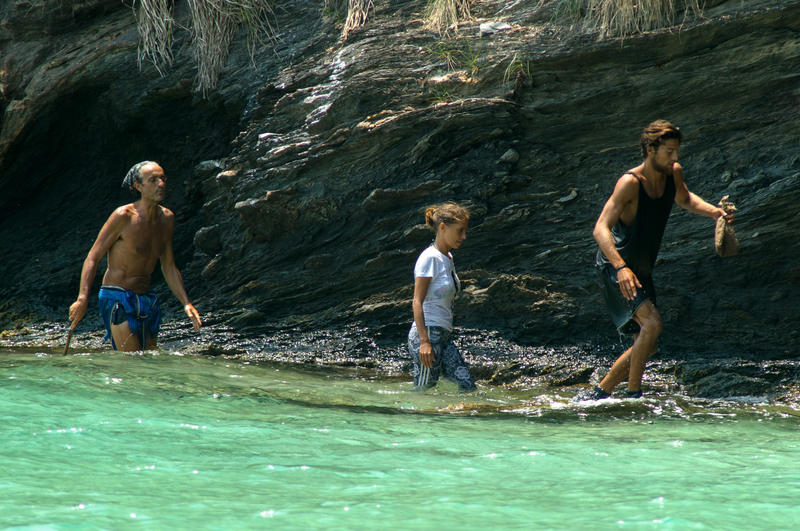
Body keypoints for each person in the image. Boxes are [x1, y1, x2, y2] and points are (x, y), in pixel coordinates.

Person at [582, 120, 734, 400]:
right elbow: (600, 228)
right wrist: (621, 268)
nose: (675, 157)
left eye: (676, 150)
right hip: (616, 266)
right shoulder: (630, 183)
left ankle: (599, 393)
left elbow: (685, 199)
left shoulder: (673, 173)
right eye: (669, 151)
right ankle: (633, 396)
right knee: (652, 325)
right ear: (650, 149)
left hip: (641, 268)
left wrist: (714, 213)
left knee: (647, 343)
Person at [67, 161, 202, 351]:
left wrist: (186, 303)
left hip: (145, 298)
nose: (161, 184)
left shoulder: (167, 219)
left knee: (147, 359)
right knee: (131, 360)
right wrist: (82, 299)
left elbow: (168, 266)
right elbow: (93, 257)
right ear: (138, 186)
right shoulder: (123, 216)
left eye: (162, 178)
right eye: (153, 180)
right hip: (117, 297)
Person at [408, 202, 477, 391]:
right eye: (460, 231)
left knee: (467, 387)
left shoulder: (447, 258)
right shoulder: (430, 258)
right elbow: (417, 301)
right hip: (428, 334)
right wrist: (424, 342)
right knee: (423, 390)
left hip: (444, 336)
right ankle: (406, 412)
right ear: (443, 227)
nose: (464, 236)